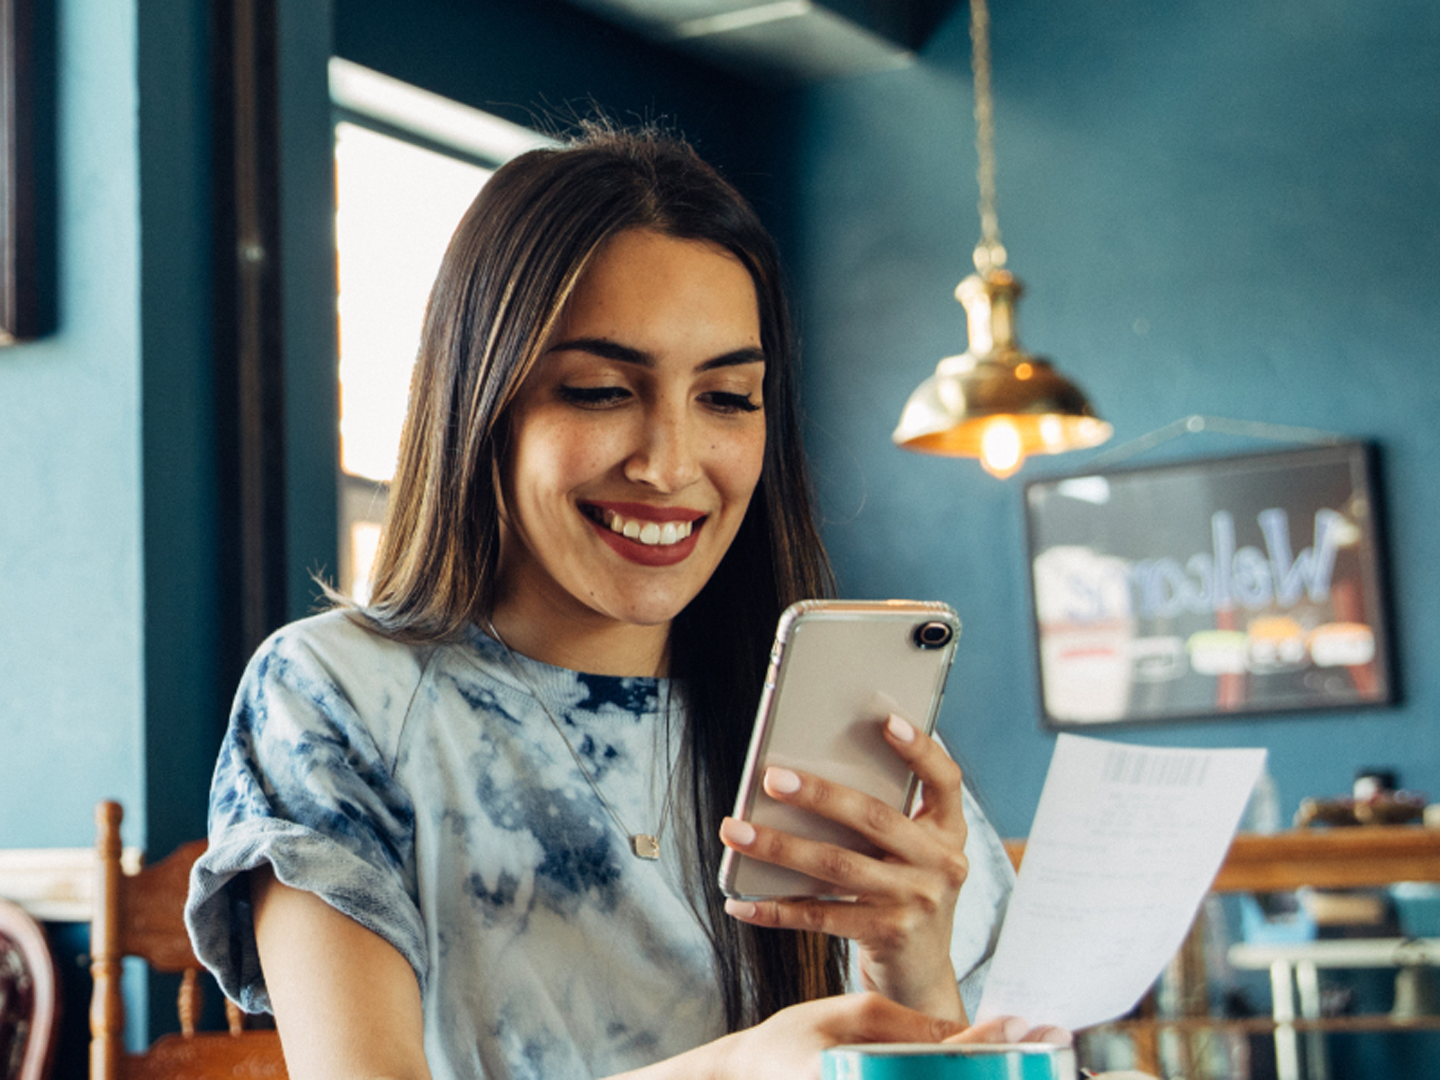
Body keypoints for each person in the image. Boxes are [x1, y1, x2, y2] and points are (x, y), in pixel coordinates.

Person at [185, 124, 1058, 1080]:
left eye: (727, 398)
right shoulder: (338, 695)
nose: (671, 464)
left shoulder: (835, 718)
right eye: (602, 390)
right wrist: (730, 1072)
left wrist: (914, 973)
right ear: (484, 402)